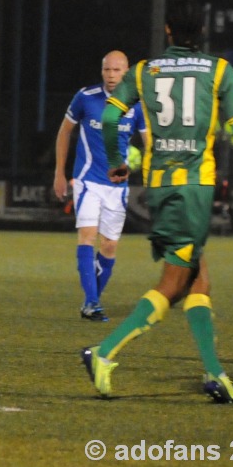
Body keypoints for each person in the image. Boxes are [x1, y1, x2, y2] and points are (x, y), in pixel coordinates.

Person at [81, 0, 233, 404]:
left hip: (161, 187)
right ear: (201, 32)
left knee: (199, 280)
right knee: (174, 283)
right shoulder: (219, 70)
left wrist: (116, 161)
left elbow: (111, 118)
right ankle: (104, 352)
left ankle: (214, 373)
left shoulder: (145, 70)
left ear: (167, 31)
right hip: (193, 188)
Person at [53, 51, 148, 322]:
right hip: (87, 180)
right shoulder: (86, 97)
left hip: (117, 187)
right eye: (107, 69)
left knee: (109, 247)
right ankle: (93, 302)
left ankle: (90, 301)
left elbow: (149, 142)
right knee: (87, 236)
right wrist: (59, 173)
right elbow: (64, 132)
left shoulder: (137, 106)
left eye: (117, 70)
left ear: (127, 72)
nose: (111, 75)